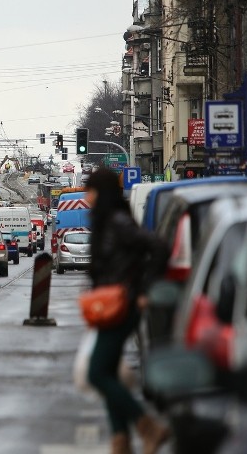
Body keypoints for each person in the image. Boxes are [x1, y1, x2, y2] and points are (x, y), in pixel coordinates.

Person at [83, 168, 170, 454]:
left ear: (103, 193)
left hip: (123, 304)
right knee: (108, 371)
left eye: (91, 191)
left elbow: (158, 247)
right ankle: (120, 440)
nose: (87, 197)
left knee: (96, 372)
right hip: (110, 305)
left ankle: (147, 426)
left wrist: (144, 290)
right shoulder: (106, 221)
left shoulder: (118, 222)